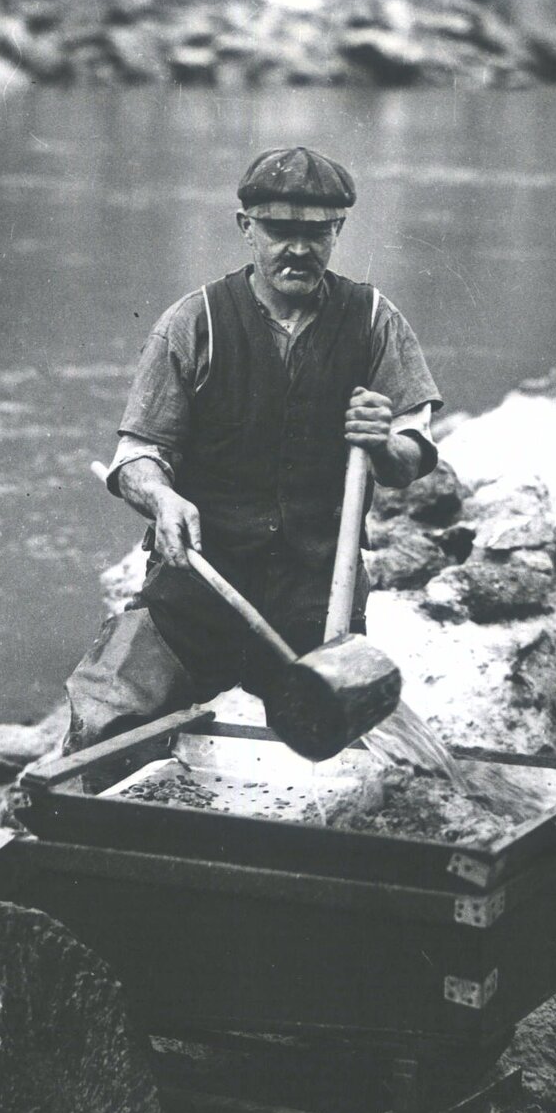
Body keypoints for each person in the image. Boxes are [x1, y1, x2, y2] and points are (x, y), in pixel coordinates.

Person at [60, 145, 443, 755]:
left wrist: (384, 441)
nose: (298, 248)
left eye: (316, 233)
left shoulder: (374, 319)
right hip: (200, 585)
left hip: (320, 597)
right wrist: (160, 498)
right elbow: (136, 456)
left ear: (337, 231)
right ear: (247, 229)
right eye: (280, 231)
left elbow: (412, 458)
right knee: (106, 722)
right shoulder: (194, 321)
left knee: (349, 757)